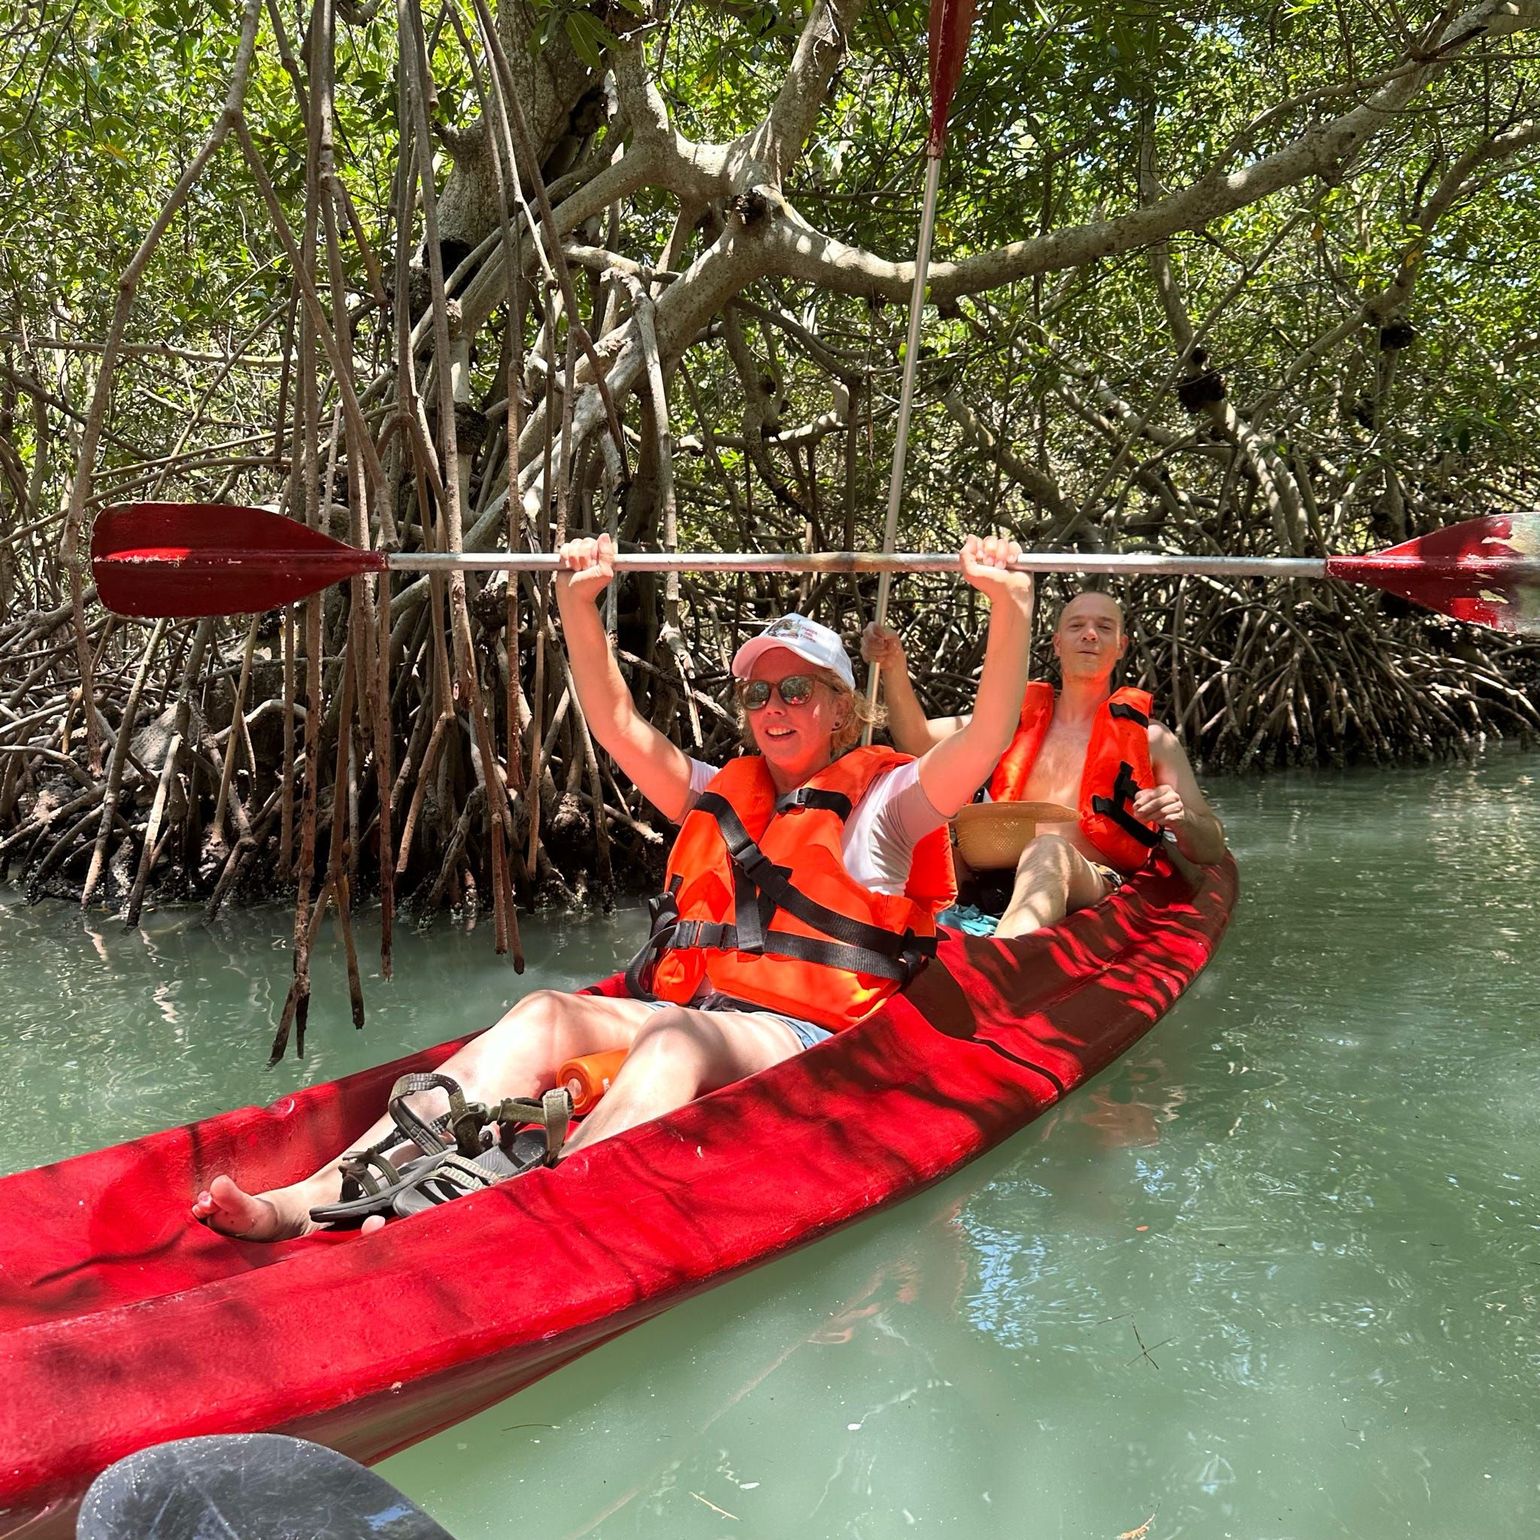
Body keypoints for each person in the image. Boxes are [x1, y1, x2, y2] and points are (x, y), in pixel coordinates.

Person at [192, 533, 1037, 1241]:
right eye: (757, 692)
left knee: (675, 1042)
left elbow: (988, 735)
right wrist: (578, 606)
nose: (774, 707)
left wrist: (1009, 609)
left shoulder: (885, 806)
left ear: (842, 710)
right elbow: (618, 724)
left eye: (797, 690)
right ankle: (309, 1201)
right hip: (706, 1013)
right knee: (545, 1013)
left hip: (808, 1041)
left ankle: (536, 1220)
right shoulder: (719, 791)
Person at [862, 587, 1226, 939]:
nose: (1089, 635)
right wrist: (894, 666)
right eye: (1076, 626)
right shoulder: (1013, 718)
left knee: (1046, 849)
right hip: (991, 870)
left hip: (1091, 877)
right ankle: (880, 936)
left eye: (1104, 627)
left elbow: (1210, 848)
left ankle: (999, 964)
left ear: (1121, 646)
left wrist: (1181, 817)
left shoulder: (1153, 739)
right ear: (1056, 643)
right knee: (922, 822)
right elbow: (918, 741)